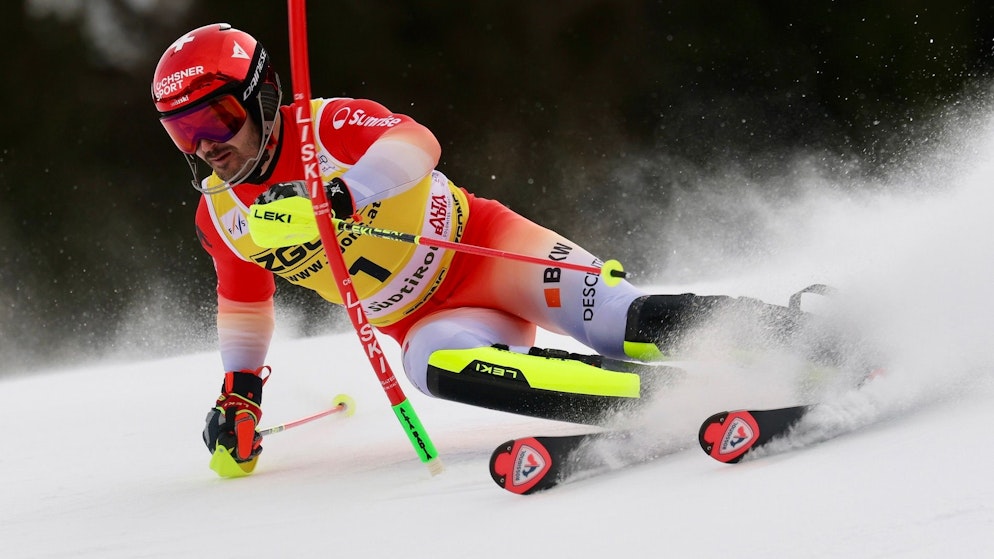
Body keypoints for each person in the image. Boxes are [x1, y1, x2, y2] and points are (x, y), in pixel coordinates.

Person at [151, 23, 854, 475]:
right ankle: (666, 397)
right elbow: (244, 302)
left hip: (487, 248)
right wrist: (240, 393)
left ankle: (811, 342)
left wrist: (342, 194)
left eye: (218, 117)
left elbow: (417, 145)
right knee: (431, 366)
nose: (209, 145)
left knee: (616, 316)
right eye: (185, 134)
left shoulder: (324, 126)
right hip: (424, 317)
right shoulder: (221, 215)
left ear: (263, 96)